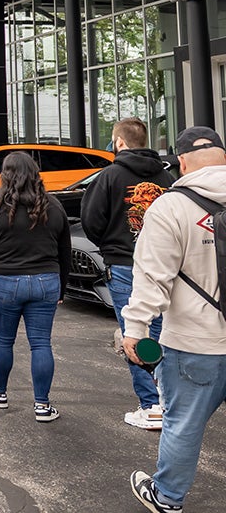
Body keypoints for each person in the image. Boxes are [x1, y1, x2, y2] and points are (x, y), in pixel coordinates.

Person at [123, 127, 226, 513]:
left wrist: (135, 329)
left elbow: (152, 277)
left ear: (181, 162)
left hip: (193, 343)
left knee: (183, 424)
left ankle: (167, 497)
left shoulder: (170, 207)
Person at [80, 116, 174, 431]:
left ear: (119, 142)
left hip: (124, 264)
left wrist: (110, 245)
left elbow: (91, 219)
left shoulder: (109, 176)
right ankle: (167, 400)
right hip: (164, 266)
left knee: (134, 335)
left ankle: (151, 405)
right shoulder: (167, 178)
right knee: (162, 333)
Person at [0, 152, 71, 423]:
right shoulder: (53, 206)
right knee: (41, 343)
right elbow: (65, 251)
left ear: (6, 175)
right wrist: (62, 288)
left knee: (3, 340)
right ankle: (43, 405)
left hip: (6, 282)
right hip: (46, 281)